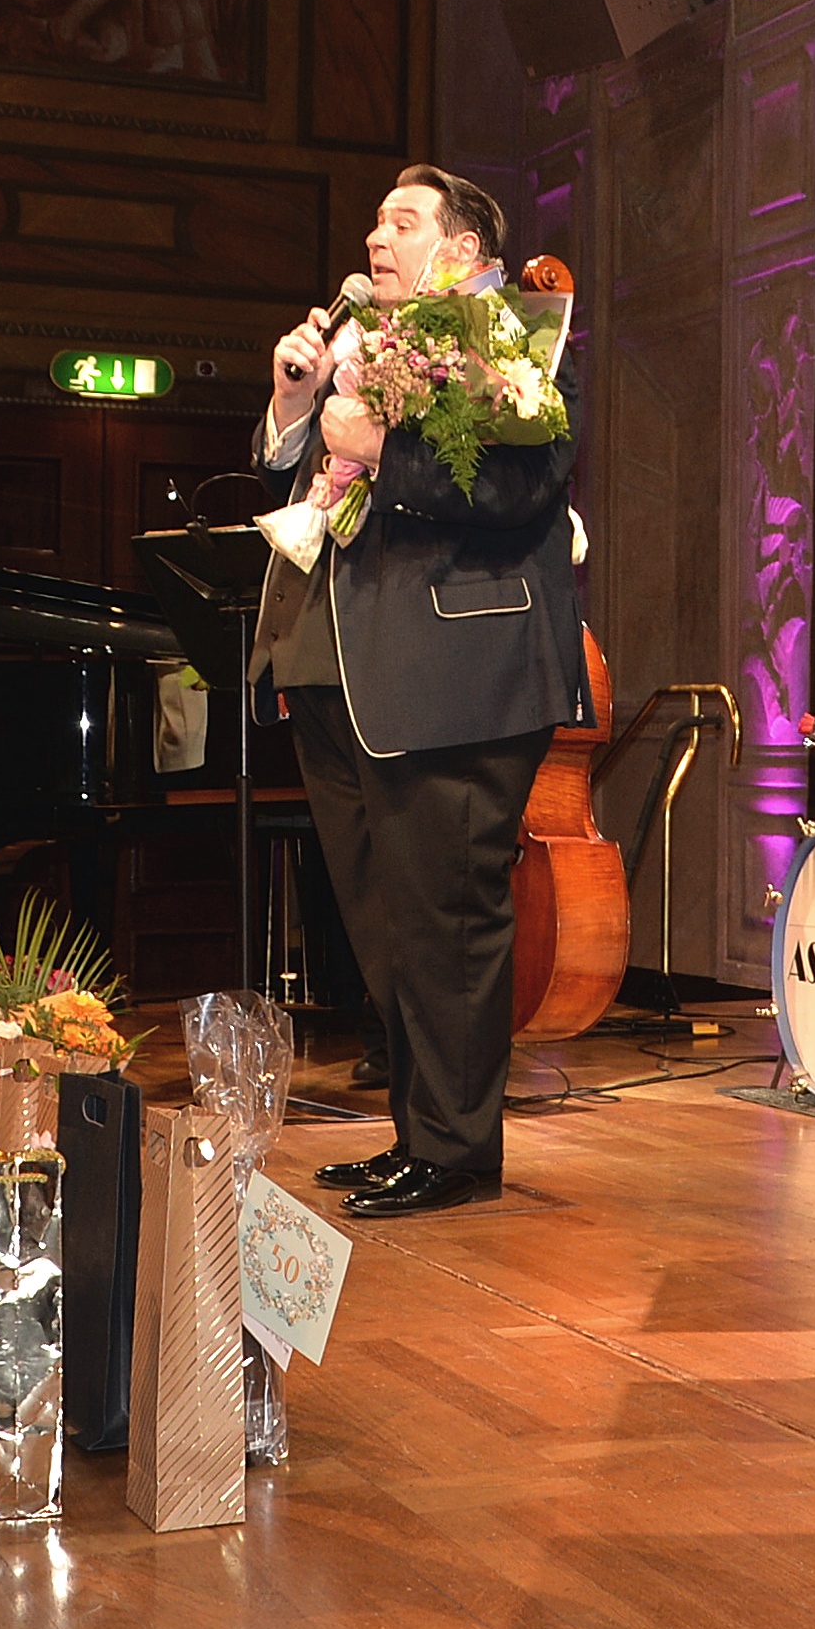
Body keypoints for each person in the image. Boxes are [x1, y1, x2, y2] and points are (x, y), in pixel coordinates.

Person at [251, 164, 590, 1218]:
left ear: (461, 249)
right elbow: (303, 482)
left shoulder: (508, 338)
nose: (375, 235)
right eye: (375, 218)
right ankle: (419, 1130)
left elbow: (524, 483)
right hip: (338, 670)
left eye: (402, 220)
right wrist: (297, 403)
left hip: (457, 675)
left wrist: (384, 454)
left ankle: (455, 1146)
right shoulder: (361, 339)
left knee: (447, 916)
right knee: (385, 922)